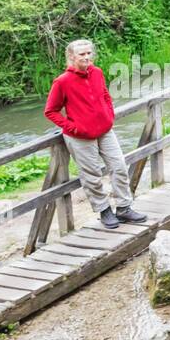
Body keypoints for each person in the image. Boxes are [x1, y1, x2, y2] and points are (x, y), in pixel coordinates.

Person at [44, 39, 146, 229]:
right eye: (82, 54)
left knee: (119, 166)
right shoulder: (62, 81)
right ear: (72, 57)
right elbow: (50, 111)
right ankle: (104, 210)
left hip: (105, 131)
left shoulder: (97, 72)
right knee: (91, 175)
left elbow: (105, 95)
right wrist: (73, 127)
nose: (87, 57)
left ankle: (123, 208)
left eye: (89, 53)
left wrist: (109, 114)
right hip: (80, 137)